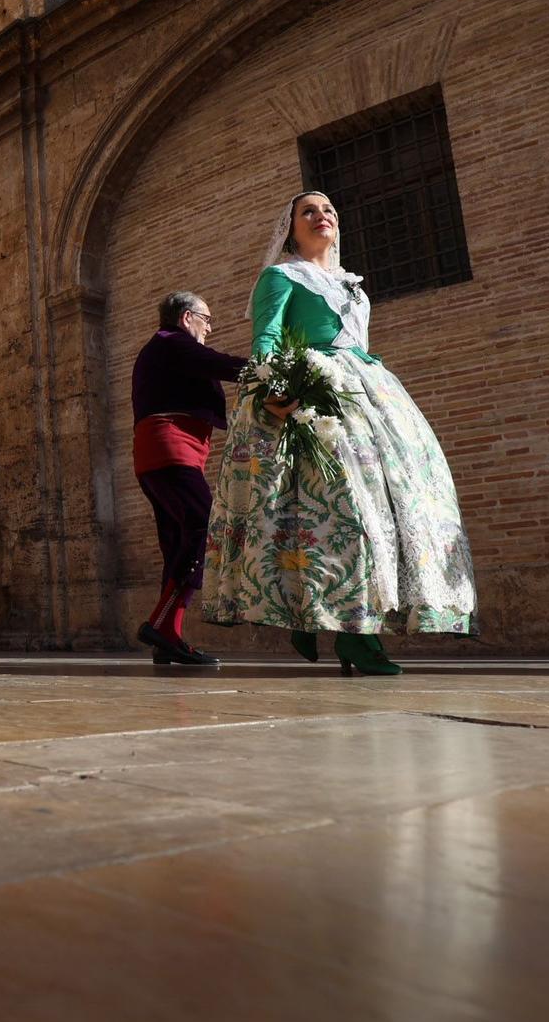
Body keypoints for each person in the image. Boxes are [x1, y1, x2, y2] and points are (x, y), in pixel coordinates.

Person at [203, 192, 477, 673]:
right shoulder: (281, 276)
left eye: (328, 209)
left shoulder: (354, 286)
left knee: (391, 509)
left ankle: (340, 624)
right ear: (290, 228)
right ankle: (348, 632)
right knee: (342, 510)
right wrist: (275, 390)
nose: (321, 215)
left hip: (369, 396)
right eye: (307, 211)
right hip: (312, 395)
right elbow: (267, 336)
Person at [130, 291, 248, 665]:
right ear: (186, 318)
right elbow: (218, 364)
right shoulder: (172, 343)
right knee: (203, 529)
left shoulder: (163, 349)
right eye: (206, 319)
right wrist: (267, 370)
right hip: (171, 450)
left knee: (177, 540)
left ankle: (167, 638)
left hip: (160, 455)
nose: (209, 328)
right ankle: (161, 625)